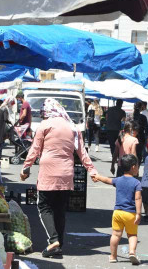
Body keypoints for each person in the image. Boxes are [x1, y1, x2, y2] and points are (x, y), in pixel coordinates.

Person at [20, 98, 98, 257]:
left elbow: (34, 150)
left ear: (47, 111)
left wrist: (25, 168)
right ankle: (58, 244)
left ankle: (54, 240)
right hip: (66, 173)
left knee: (44, 207)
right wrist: (92, 170)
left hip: (48, 172)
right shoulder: (72, 126)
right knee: (60, 209)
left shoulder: (45, 125)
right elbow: (82, 152)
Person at [94, 154, 142, 265]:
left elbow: (107, 180)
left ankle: (112, 256)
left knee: (115, 235)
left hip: (118, 213)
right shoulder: (136, 183)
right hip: (130, 213)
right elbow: (138, 198)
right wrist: (138, 213)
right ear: (133, 167)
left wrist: (97, 176)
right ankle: (131, 253)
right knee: (132, 235)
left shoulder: (118, 180)